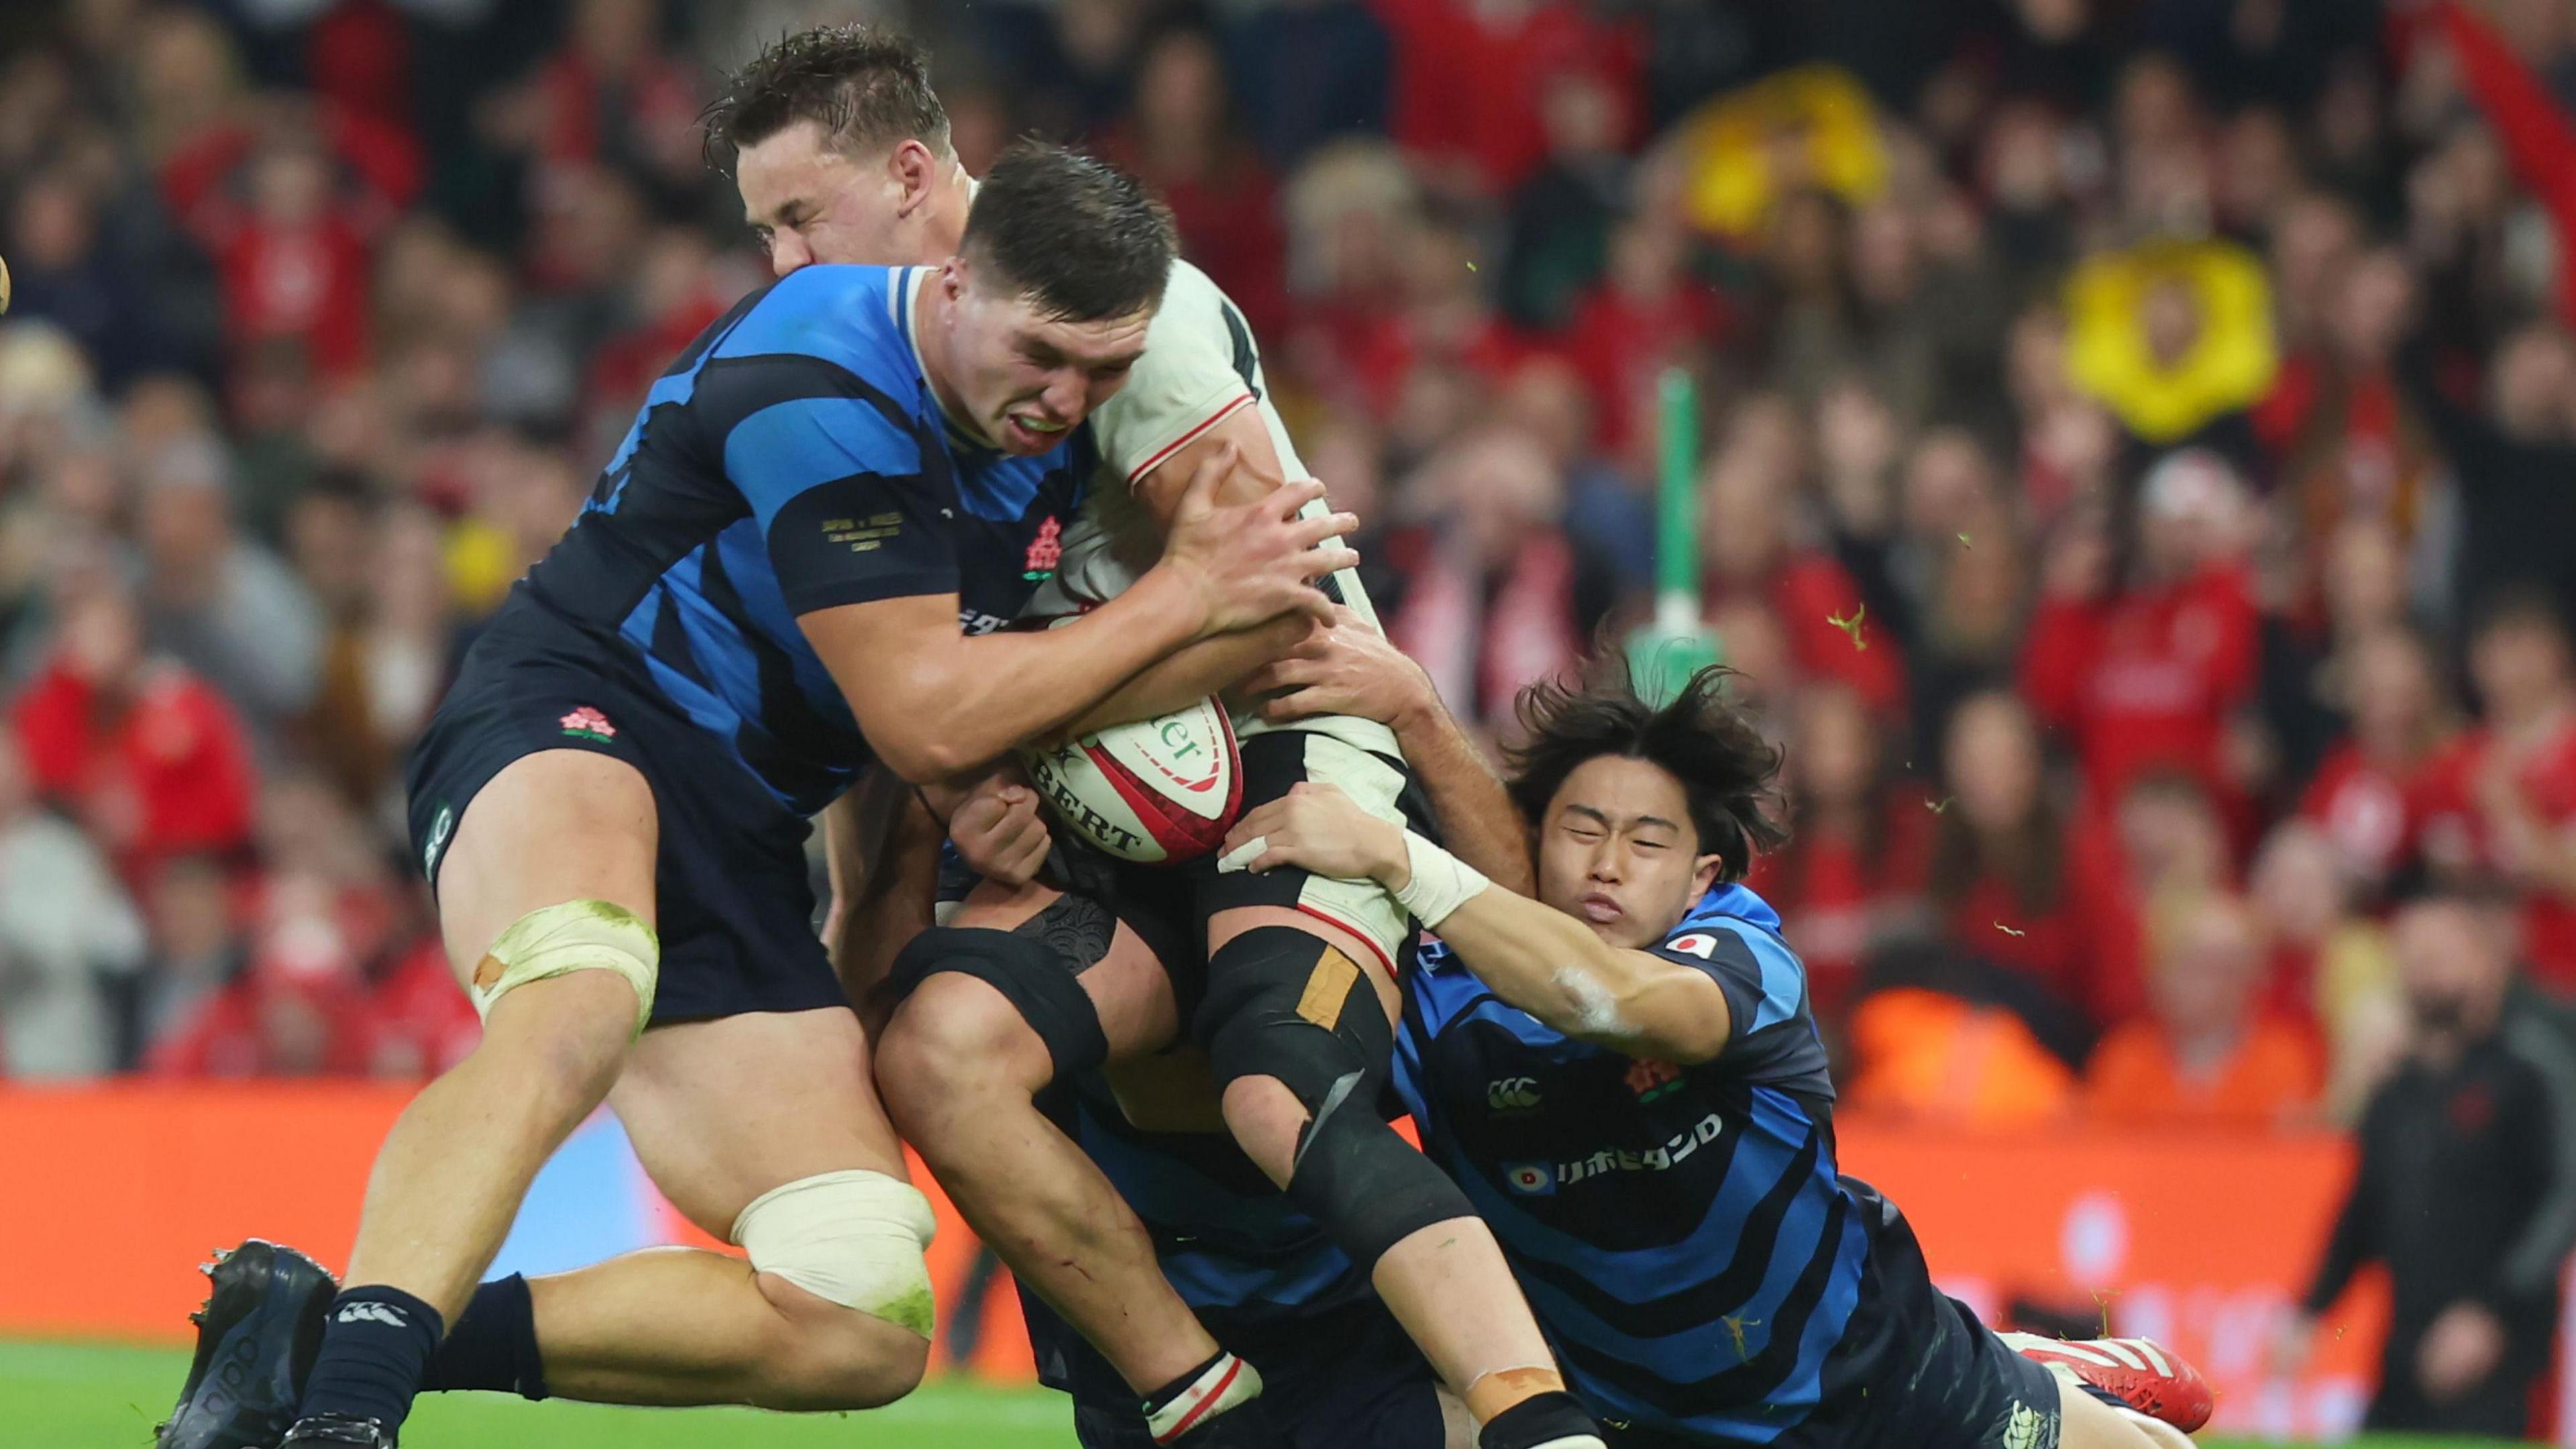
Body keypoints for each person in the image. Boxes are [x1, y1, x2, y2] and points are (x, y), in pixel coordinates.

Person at [156, 144, 1356, 1449]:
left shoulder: (1044, 451)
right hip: (581, 715)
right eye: (1042, 355)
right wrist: (1188, 595)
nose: (1067, 398)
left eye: (1103, 373)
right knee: (579, 997)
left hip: (742, 835)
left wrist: (944, 811)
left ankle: (315, 1344)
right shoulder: (823, 365)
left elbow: (939, 705)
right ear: (955, 285)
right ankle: (346, 1421)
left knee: (862, 1310)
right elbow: (925, 706)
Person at [710, 28, 1597, 1449]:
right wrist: (958, 788)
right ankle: (1201, 1406)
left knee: (1276, 1091)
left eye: (799, 216)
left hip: (1295, 748)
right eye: (761, 232)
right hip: (1092, 813)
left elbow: (1277, 599)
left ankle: (1537, 1420)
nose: (779, 263)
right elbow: (903, 726)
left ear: (912, 175)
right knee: (939, 1054)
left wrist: (987, 735)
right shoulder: (861, 397)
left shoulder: (1140, 315)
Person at [1222, 655, 2212, 1449]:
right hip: (1642, 1414)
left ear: (1699, 875)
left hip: (1875, 1370)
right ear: (1534, 842)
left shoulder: (1738, 948)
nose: (1608, 864)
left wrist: (1400, 854)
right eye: (1582, 832)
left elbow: (1618, 1000)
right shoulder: (1438, 990)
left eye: (1646, 843)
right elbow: (1296, 1084)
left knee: (2171, 1439)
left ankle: (2052, 1372)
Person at [2277, 887, 2576, 1438]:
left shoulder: (2531, 1067)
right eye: (2411, 959)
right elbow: (2364, 1211)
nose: (2422, 974)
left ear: (2487, 964)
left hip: (2502, 1361)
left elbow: (2565, 1197)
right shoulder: (2397, 1091)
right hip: (2404, 1349)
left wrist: (2492, 1313)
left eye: (2439, 958)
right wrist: (2310, 1310)